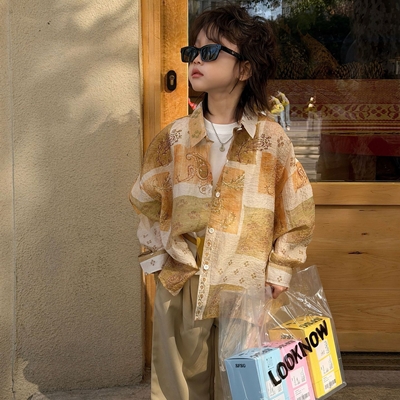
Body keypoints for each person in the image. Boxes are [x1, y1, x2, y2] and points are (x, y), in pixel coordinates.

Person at [130, 5, 315, 400]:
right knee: (180, 385)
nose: (196, 59)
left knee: (242, 384)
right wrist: (156, 259)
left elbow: (296, 210)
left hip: (245, 282)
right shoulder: (174, 137)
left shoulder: (272, 141)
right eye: (192, 51)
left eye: (211, 51)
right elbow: (147, 198)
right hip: (184, 280)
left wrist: (280, 268)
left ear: (244, 69)